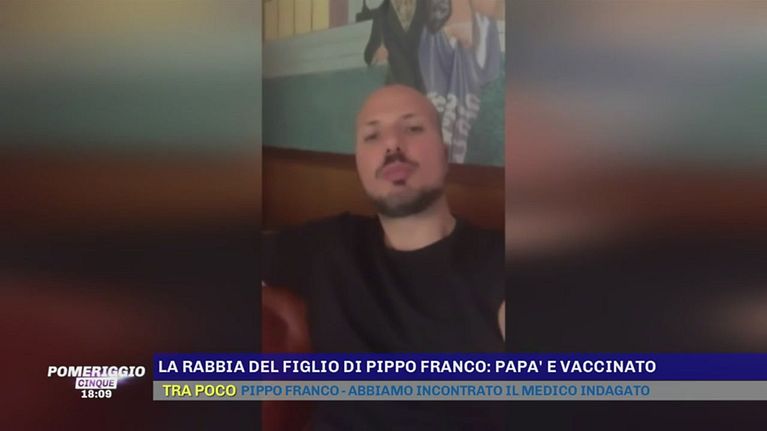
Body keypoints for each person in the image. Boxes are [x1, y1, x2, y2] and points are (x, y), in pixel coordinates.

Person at [263, 84, 505, 430]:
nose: (392, 143)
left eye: (413, 128)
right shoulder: (327, 245)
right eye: (372, 136)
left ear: (445, 155)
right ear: (359, 164)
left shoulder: (496, 259)